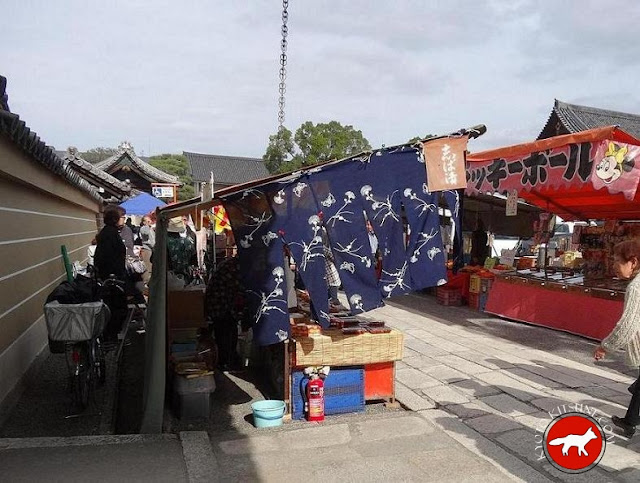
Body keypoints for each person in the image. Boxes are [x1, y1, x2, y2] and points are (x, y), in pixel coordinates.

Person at [594, 240, 640, 437]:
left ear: (633, 262)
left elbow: (628, 325)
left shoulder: (636, 287)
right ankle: (630, 422)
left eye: (617, 261)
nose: (613, 266)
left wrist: (606, 347)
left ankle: (630, 422)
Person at [205, 254, 246, 369]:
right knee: (225, 333)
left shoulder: (232, 263)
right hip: (220, 304)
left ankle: (227, 359)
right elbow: (241, 289)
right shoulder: (235, 267)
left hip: (220, 304)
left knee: (228, 332)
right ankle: (225, 362)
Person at [94, 205, 127, 340]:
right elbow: (113, 255)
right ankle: (112, 334)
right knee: (115, 306)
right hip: (112, 276)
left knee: (111, 305)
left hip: (105, 274)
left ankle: (110, 332)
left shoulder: (105, 232)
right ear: (115, 219)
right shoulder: (111, 234)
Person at [139, 215, 155, 284]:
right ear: (144, 222)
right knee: (147, 268)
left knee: (151, 267)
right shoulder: (143, 228)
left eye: (150, 220)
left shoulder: (151, 229)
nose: (149, 222)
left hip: (152, 249)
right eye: (147, 221)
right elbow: (145, 232)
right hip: (146, 249)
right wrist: (147, 225)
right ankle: (146, 283)